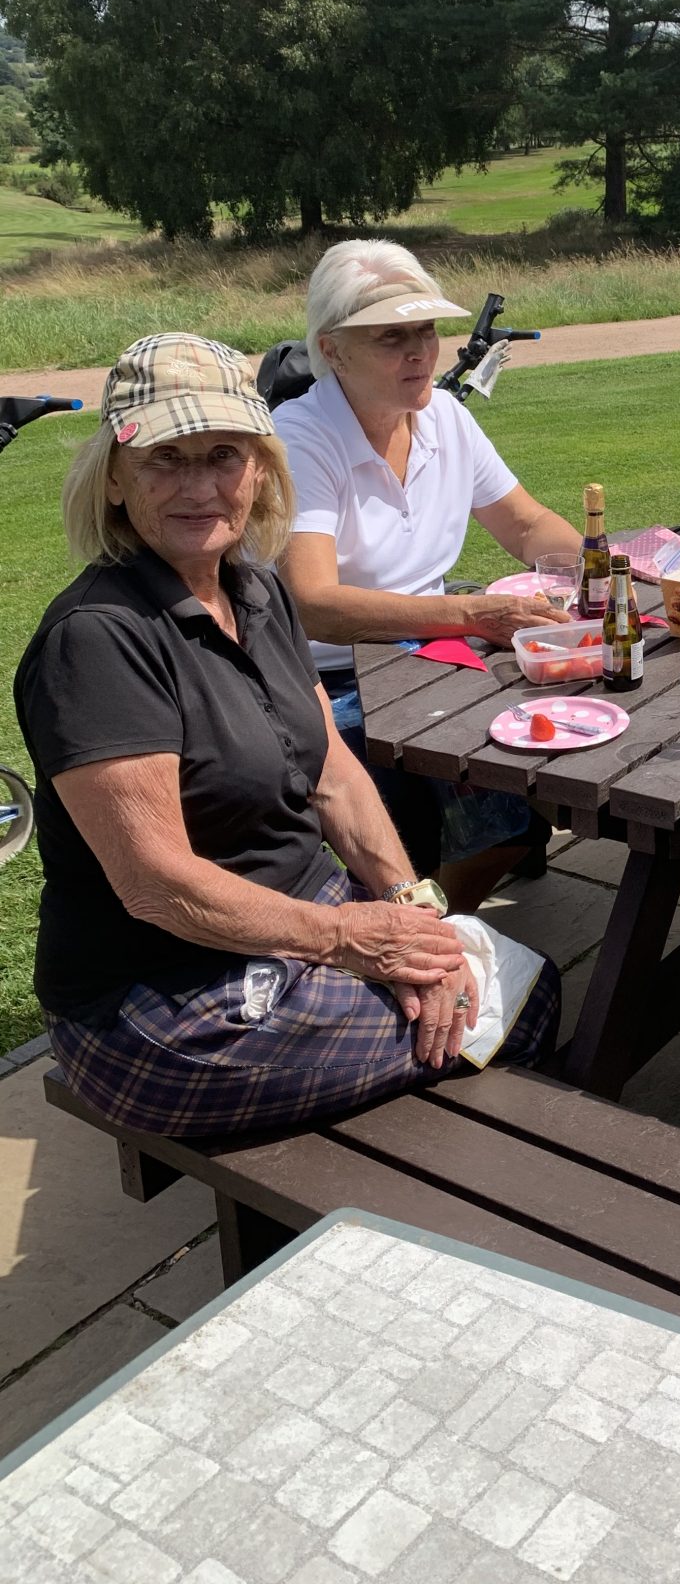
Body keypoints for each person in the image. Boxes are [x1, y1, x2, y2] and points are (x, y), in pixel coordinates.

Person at [16, 335, 560, 1139]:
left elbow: (334, 771)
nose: (199, 487)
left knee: (495, 987)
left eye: (223, 455)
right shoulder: (98, 641)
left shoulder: (257, 587)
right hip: (167, 1000)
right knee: (507, 1010)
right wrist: (351, 938)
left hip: (298, 930)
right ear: (116, 481)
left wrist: (411, 911)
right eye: (166, 459)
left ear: (261, 469)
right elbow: (158, 885)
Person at [273, 241, 583, 912]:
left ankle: (449, 906)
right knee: (487, 789)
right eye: (392, 337)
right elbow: (313, 605)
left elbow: (526, 527)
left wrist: (605, 564)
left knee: (550, 748)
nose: (420, 351)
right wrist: (473, 618)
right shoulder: (301, 439)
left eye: (426, 330)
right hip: (324, 677)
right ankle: (432, 928)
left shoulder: (445, 416)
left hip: (430, 651)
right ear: (331, 350)